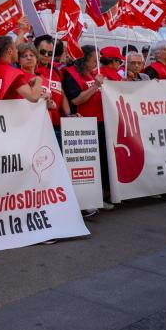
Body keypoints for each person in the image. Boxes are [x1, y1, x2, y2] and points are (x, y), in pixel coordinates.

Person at [60, 46, 113, 209]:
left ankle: (103, 194)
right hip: (84, 124)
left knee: (103, 160)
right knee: (91, 164)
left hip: (101, 121)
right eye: (94, 59)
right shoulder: (71, 73)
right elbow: (76, 100)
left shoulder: (92, 73)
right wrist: (95, 86)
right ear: (84, 59)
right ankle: (91, 199)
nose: (97, 62)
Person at [18, 42, 66, 130]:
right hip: (26, 126)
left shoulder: (43, 78)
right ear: (19, 60)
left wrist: (50, 104)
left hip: (45, 126)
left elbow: (49, 102)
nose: (29, 58)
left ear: (36, 58)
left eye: (32, 55)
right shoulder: (18, 76)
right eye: (24, 56)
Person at [0, 36, 43, 102]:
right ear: (10, 51)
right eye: (15, 48)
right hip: (7, 111)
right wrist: (39, 79)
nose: (17, 51)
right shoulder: (13, 73)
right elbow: (33, 97)